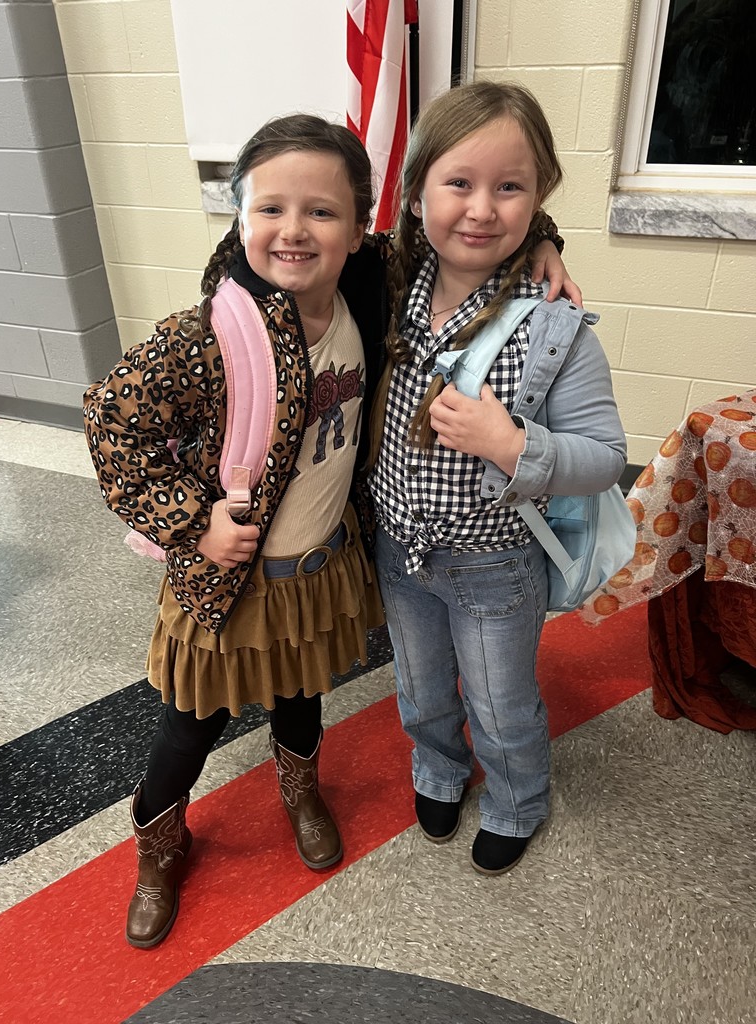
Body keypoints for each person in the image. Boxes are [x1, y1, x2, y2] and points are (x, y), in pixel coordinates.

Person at [83, 112, 574, 949]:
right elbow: (110, 427)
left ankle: (300, 790)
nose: (294, 230)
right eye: (270, 208)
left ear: (359, 229)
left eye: (322, 211)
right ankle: (159, 847)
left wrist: (544, 242)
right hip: (228, 579)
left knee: (299, 696)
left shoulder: (369, 288)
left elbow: (468, 225)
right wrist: (192, 523)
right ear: (238, 215)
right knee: (188, 725)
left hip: (316, 570)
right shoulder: (206, 334)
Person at [368, 81, 627, 877]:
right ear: (415, 197)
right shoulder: (391, 281)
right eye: (459, 184)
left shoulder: (552, 326)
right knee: (419, 688)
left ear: (537, 195)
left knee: (502, 702)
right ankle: (439, 769)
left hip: (495, 565)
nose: (482, 208)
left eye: (509, 188)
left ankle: (517, 798)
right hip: (401, 552)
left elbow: (607, 455)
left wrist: (512, 443)